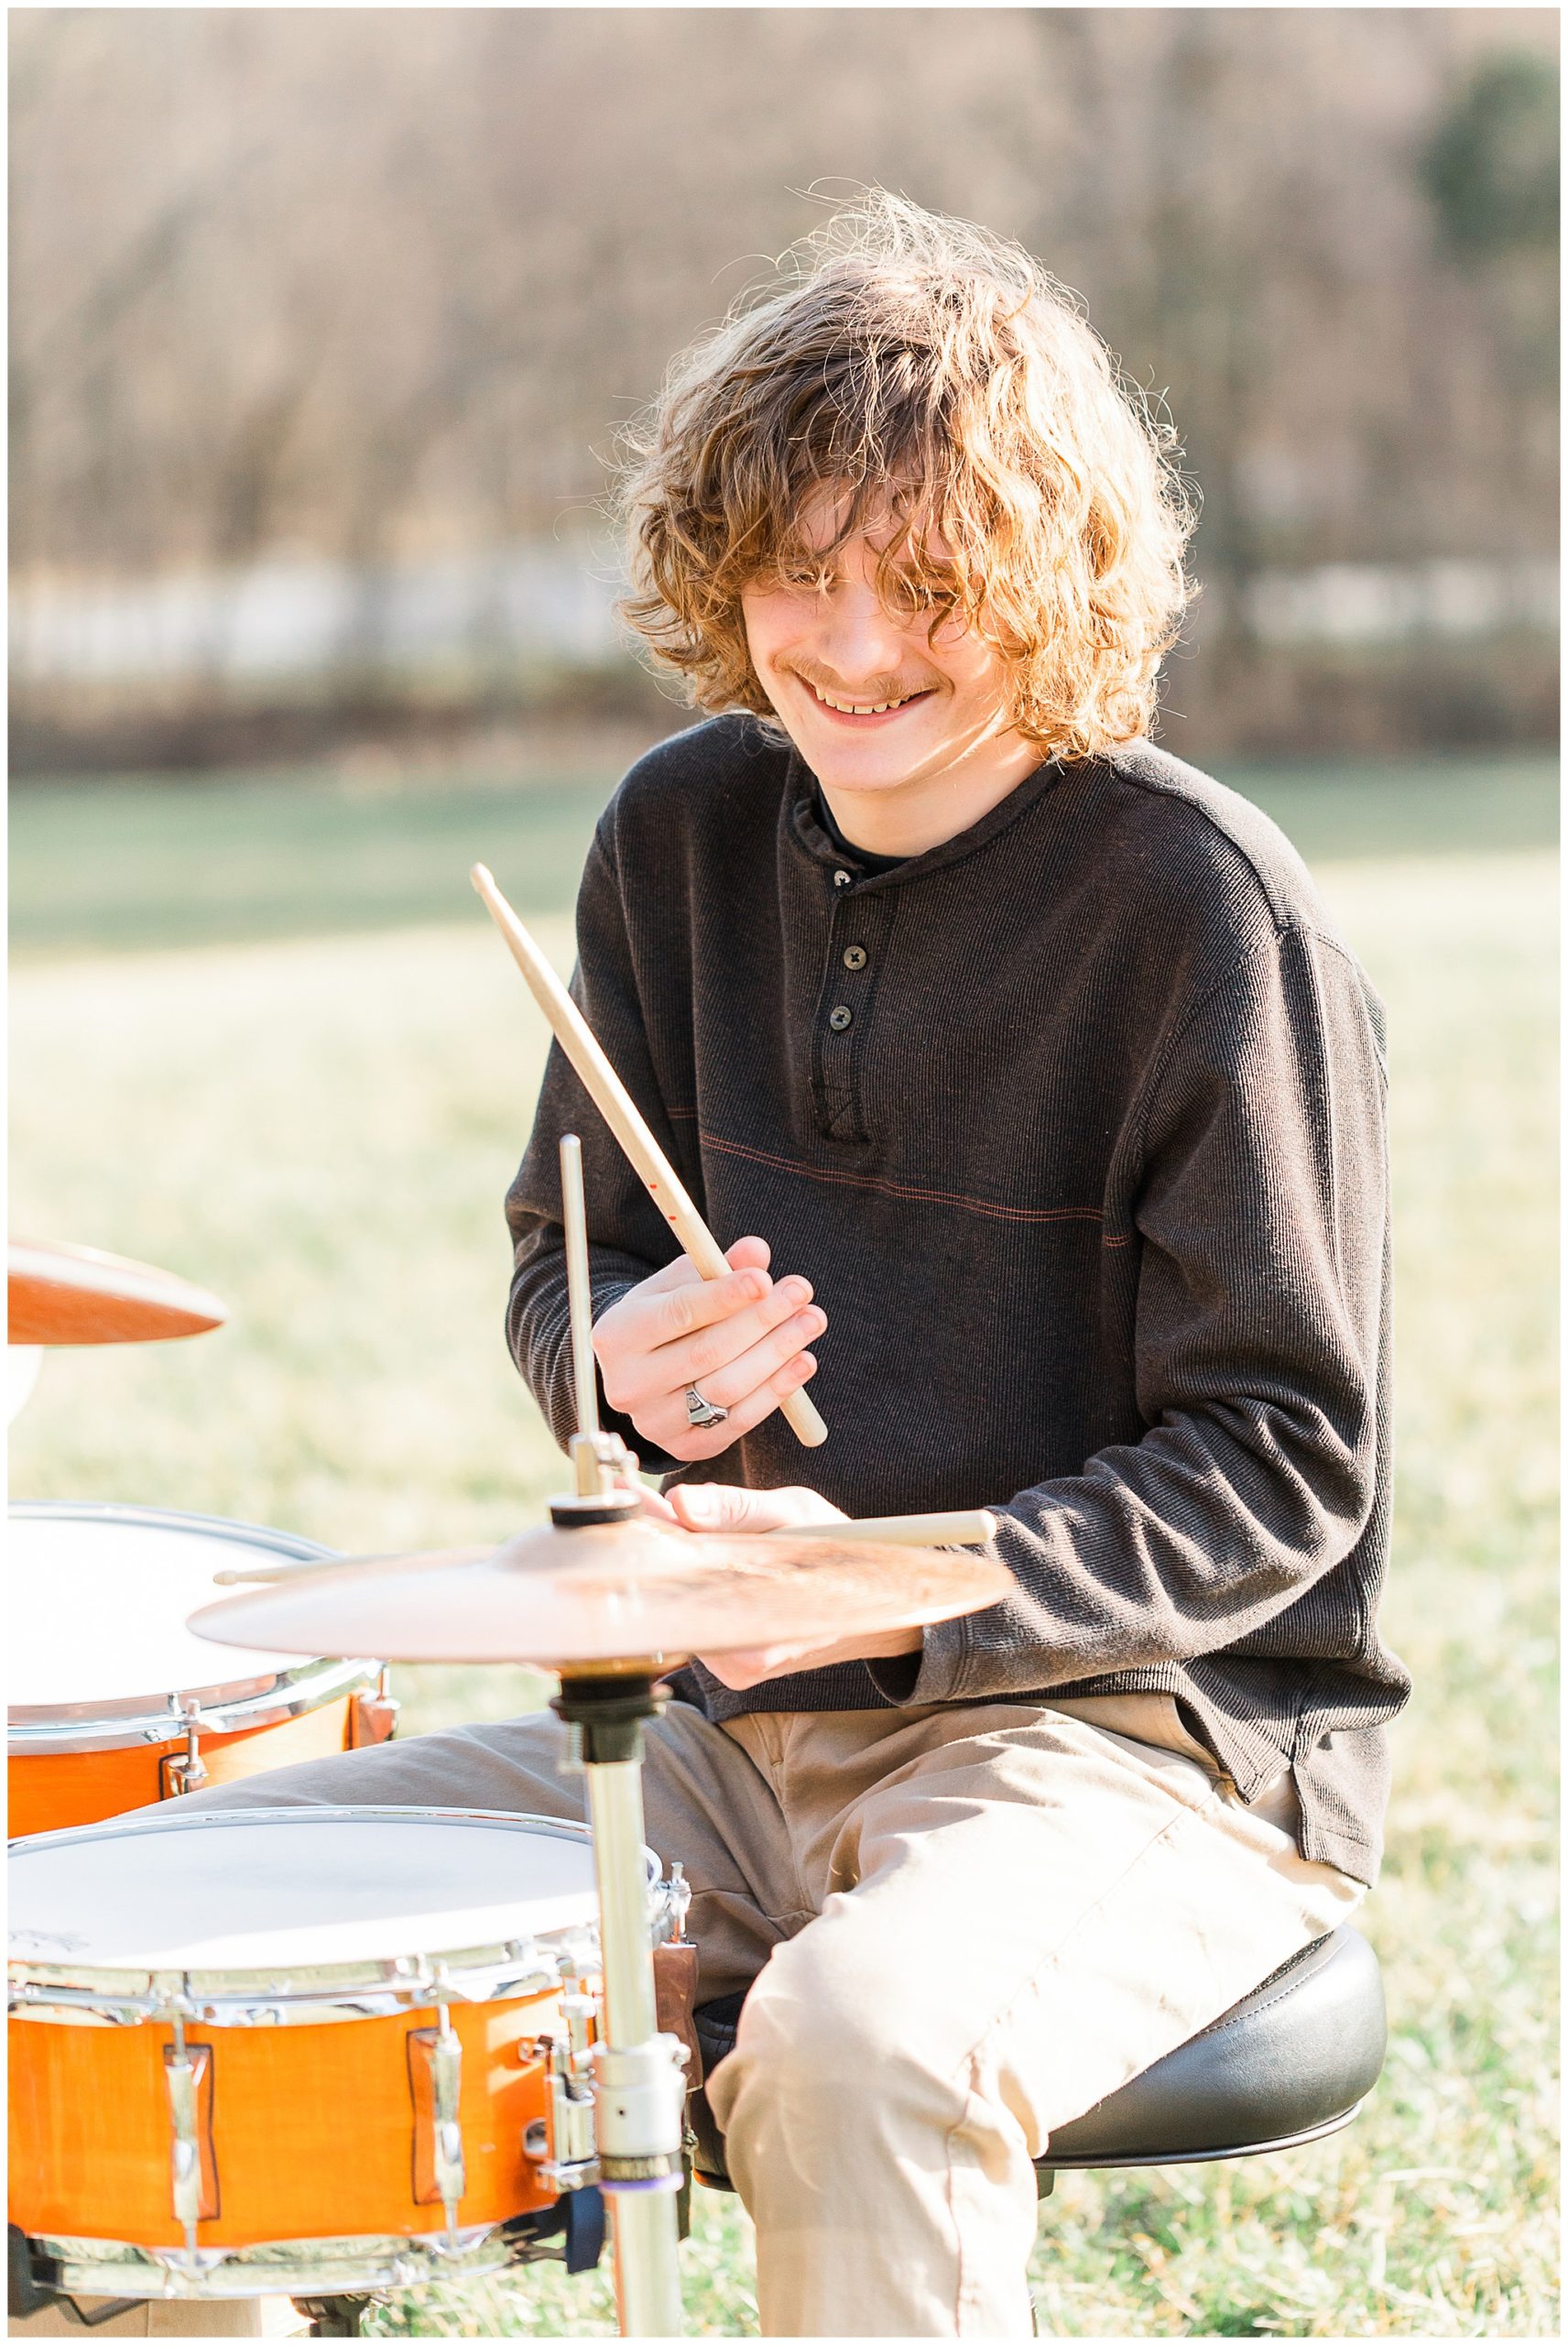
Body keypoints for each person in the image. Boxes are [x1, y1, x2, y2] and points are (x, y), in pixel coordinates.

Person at [164, 192, 1407, 2339]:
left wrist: (889, 1581)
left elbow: (1284, 1462)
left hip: (1132, 1742)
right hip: (724, 1723)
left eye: (926, 584)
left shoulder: (1203, 914)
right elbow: (571, 1257)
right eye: (798, 570)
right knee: (196, 1937)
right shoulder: (678, 835)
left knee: (861, 2042)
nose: (847, 643)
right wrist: (616, 1353)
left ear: (1054, 580)